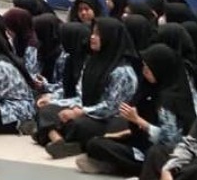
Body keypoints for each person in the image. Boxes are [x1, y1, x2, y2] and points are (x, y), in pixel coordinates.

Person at [80, 44, 197, 177]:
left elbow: (170, 140)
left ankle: (127, 167)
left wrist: (139, 121)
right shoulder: (149, 87)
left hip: (166, 152)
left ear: (161, 69)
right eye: (144, 66)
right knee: (95, 143)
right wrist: (127, 132)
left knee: (154, 153)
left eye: (149, 68)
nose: (144, 71)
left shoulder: (171, 97)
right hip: (142, 142)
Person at [38, 17, 139, 159]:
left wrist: (80, 112)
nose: (92, 37)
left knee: (76, 124)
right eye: (93, 32)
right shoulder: (92, 62)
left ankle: (57, 136)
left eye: (98, 34)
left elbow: (112, 107)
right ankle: (60, 140)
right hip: (87, 111)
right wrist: (57, 102)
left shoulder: (122, 71)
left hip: (109, 119)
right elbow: (81, 95)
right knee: (48, 110)